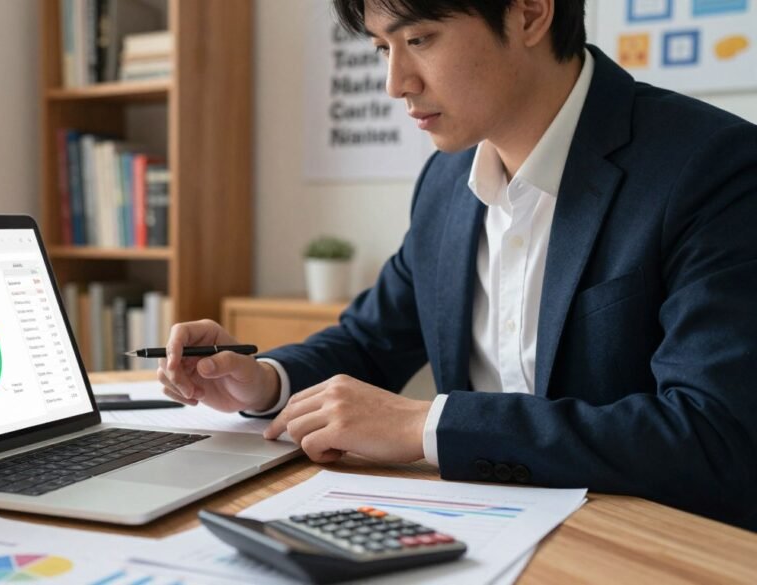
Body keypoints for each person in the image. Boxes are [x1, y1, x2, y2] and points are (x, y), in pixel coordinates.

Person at [157, 0, 757, 530]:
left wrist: (428, 426)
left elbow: (713, 435)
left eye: (419, 40)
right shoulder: (446, 181)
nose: (395, 83)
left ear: (528, 13)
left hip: (647, 542)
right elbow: (370, 341)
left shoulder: (713, 168)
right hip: (478, 528)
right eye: (380, 48)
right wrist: (264, 381)